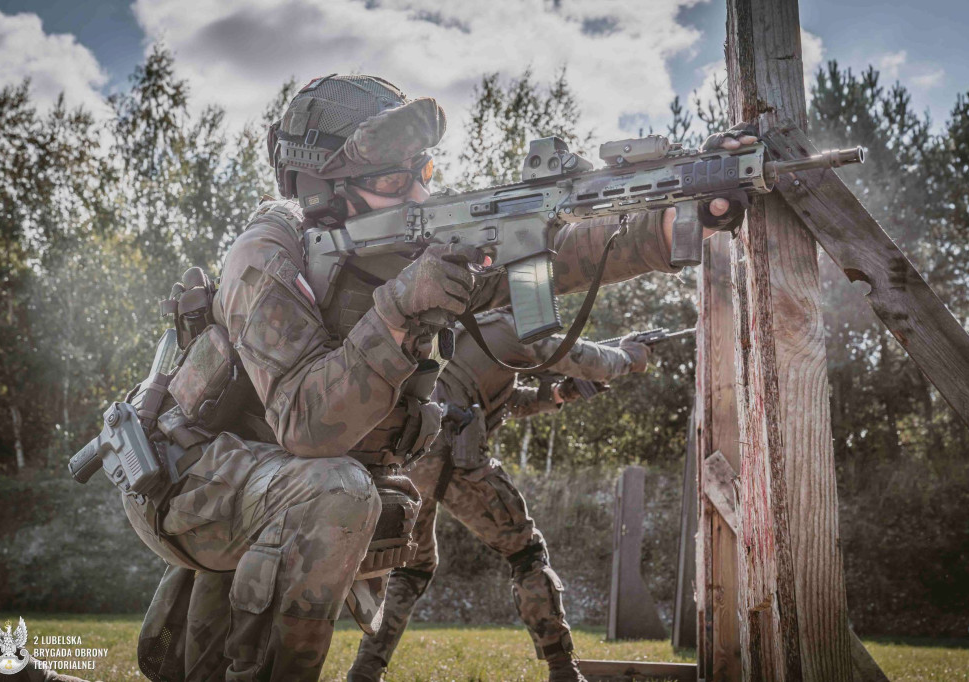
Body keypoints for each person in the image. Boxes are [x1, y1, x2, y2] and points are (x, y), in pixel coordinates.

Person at [120, 73, 751, 682]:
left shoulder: (403, 241)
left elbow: (564, 256)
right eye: (395, 179)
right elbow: (307, 425)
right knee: (339, 487)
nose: (420, 196)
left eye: (423, 172)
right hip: (187, 483)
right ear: (320, 188)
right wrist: (398, 309)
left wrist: (681, 218)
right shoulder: (264, 260)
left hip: (275, 483)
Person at [346, 309, 653, 682]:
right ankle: (562, 670)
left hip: (411, 458)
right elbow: (579, 356)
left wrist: (557, 393)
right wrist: (628, 358)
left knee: (411, 568)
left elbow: (499, 400)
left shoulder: (462, 330)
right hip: (457, 456)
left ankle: (364, 673)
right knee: (527, 553)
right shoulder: (510, 324)